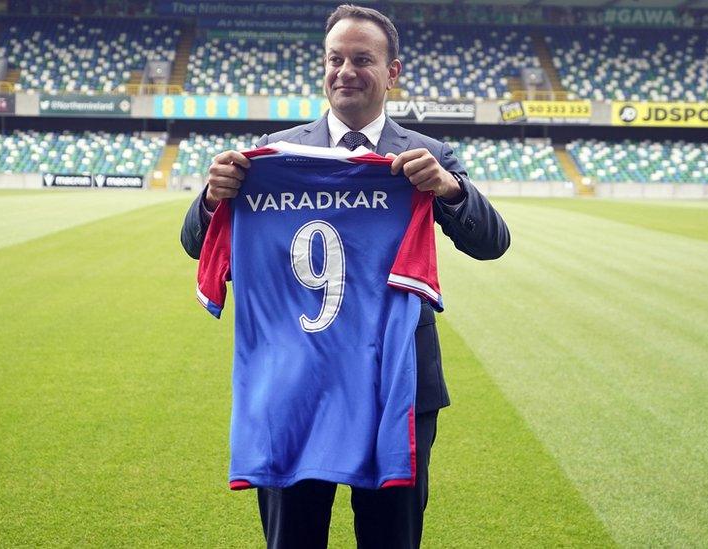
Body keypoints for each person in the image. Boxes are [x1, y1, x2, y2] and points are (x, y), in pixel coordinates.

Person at [180, 4, 510, 548]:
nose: (346, 71)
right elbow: (196, 243)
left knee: (389, 538)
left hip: (395, 385)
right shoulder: (274, 154)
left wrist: (450, 190)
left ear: (392, 71)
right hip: (297, 384)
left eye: (362, 59)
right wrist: (212, 197)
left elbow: (492, 242)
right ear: (324, 66)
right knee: (293, 538)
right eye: (336, 59)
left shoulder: (426, 155)